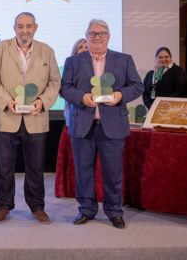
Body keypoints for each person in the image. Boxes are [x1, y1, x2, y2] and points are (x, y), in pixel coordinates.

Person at [60, 19, 143, 229]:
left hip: (113, 126)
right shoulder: (73, 62)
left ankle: (114, 211)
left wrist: (119, 95)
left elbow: (137, 86)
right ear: (86, 37)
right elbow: (64, 88)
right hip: (83, 125)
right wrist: (82, 97)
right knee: (83, 172)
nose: (97, 37)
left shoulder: (124, 60)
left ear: (108, 36)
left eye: (101, 33)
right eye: (93, 33)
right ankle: (86, 210)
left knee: (113, 172)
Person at [0, 12, 60, 223]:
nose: (24, 30)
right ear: (14, 28)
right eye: (20, 26)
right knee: (4, 166)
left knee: (36, 166)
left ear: (35, 28)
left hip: (36, 117)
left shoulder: (47, 51)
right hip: (6, 115)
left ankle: (37, 206)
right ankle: (4, 205)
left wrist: (43, 101)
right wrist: (7, 102)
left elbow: (55, 82)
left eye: (28, 26)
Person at [64, 38, 88, 127]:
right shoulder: (70, 63)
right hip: (74, 105)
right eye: (80, 47)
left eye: (86, 47)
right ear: (76, 50)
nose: (83, 50)